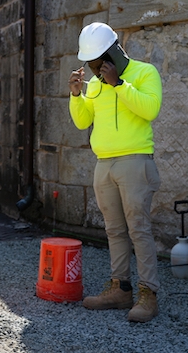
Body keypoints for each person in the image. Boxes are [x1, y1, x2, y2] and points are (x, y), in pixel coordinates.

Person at [68, 22, 162, 322]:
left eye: (99, 61)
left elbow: (151, 109)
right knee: (114, 230)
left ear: (114, 50)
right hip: (104, 164)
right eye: (91, 64)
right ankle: (120, 289)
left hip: (135, 161)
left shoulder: (145, 72)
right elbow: (83, 122)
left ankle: (149, 294)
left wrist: (120, 84)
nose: (95, 69)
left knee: (139, 228)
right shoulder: (94, 84)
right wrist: (75, 96)